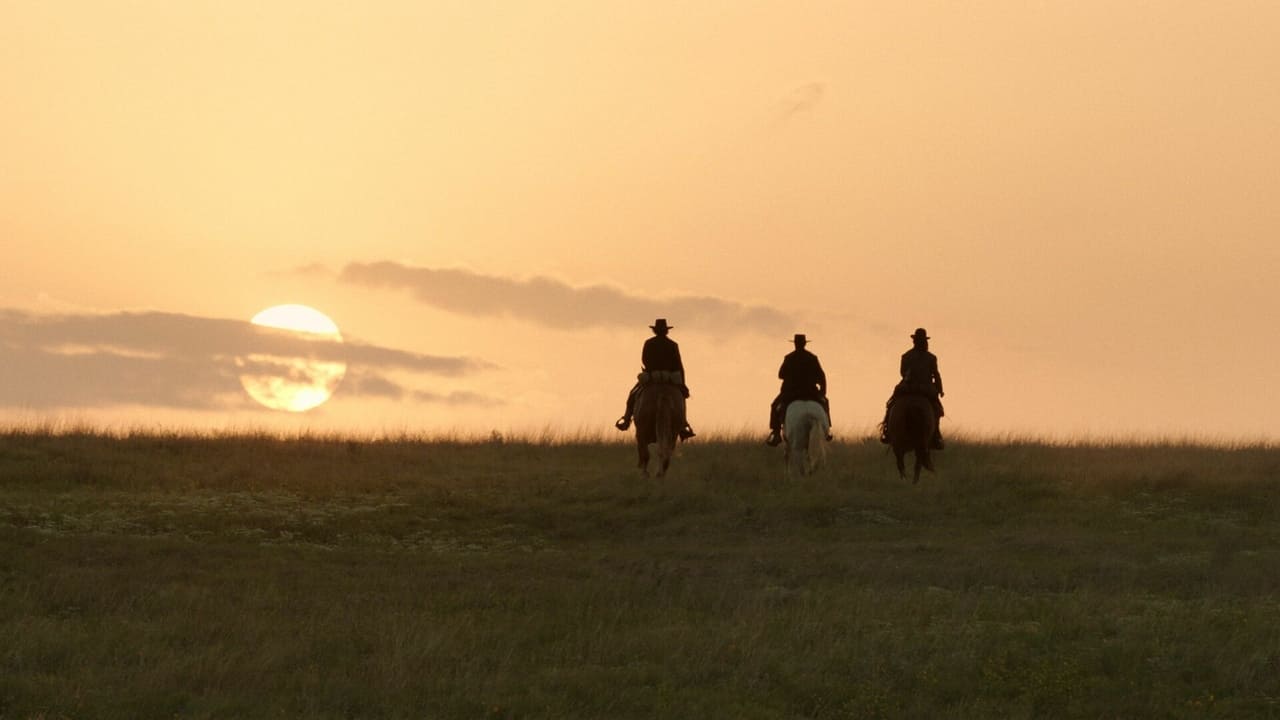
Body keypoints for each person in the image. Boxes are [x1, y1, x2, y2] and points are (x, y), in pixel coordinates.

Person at [614, 318, 695, 440]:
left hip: (652, 376)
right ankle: (683, 425)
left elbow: (644, 359)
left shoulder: (649, 343)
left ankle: (626, 419)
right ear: (666, 331)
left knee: (633, 394)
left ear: (655, 331)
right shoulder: (673, 345)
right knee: (681, 398)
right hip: (670, 378)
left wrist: (652, 369)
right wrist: (683, 384)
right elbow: (679, 365)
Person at [880, 327, 945, 449]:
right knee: (937, 409)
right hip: (926, 388)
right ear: (925, 341)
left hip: (908, 387)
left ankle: (887, 430)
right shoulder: (931, 358)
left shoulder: (906, 356)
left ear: (914, 341)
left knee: (891, 403)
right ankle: (936, 434)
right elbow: (936, 374)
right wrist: (940, 389)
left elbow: (902, 373)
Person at [766, 334, 832, 446]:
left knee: (774, 406)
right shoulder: (812, 358)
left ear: (795, 344)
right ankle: (828, 430)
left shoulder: (789, 358)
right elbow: (822, 377)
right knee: (825, 403)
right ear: (805, 344)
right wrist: (822, 393)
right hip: (811, 392)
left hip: (791, 393)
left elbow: (780, 374)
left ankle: (776, 433)